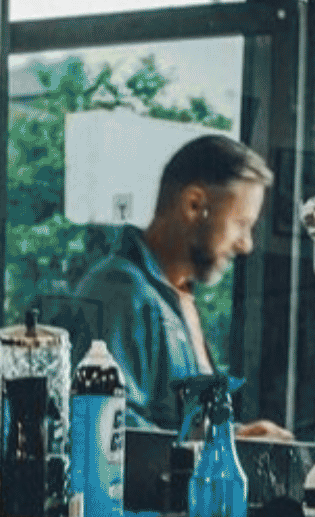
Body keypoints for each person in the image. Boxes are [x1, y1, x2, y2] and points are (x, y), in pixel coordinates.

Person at [44, 132, 287, 435]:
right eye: (240, 224)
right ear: (194, 205)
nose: (246, 244)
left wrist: (234, 440)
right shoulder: (119, 293)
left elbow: (180, 430)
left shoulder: (177, 299)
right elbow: (104, 431)